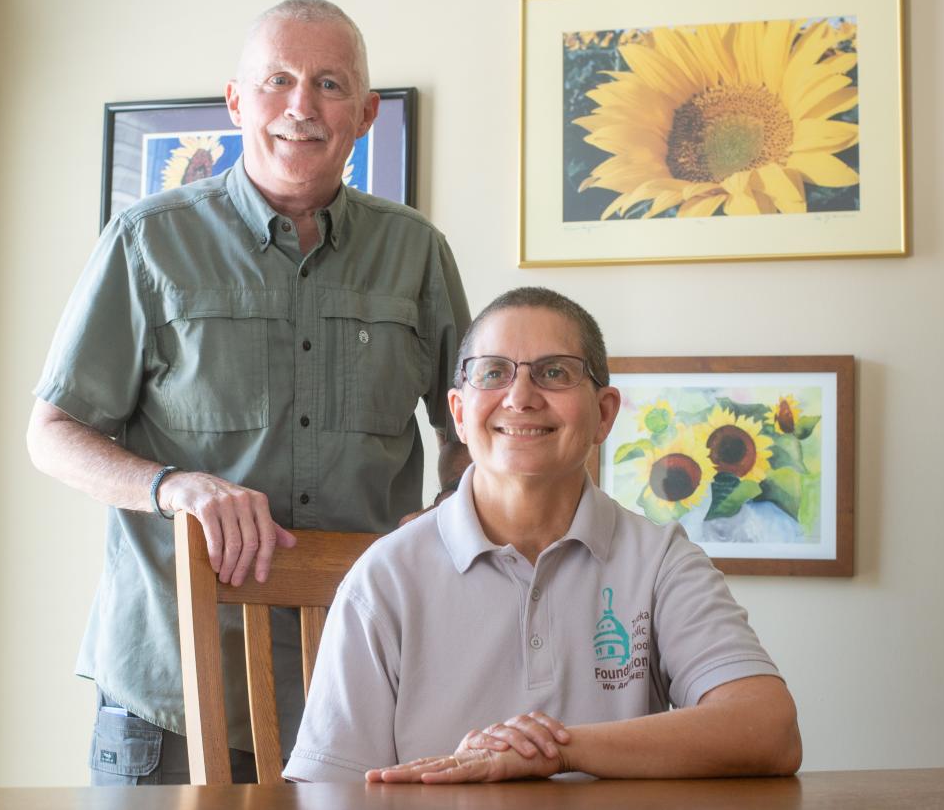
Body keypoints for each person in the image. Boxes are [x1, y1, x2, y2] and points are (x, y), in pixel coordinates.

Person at [26, 0, 469, 785]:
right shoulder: (146, 240)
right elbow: (51, 431)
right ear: (236, 102)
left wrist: (448, 522)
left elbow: (473, 432)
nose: (302, 106)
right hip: (168, 697)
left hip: (358, 693)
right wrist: (172, 487)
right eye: (278, 81)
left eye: (330, 84)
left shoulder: (419, 255)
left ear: (365, 113)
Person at [285, 287, 801, 783]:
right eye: (493, 373)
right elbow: (328, 790)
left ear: (604, 414)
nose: (521, 397)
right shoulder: (385, 577)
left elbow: (769, 731)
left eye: (554, 372)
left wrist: (555, 752)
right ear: (460, 415)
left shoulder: (661, 560)